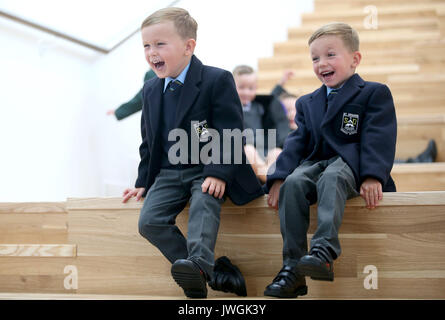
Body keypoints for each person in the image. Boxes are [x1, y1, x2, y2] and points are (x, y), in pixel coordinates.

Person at [121, 7, 264, 299]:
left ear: (188, 46)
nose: (152, 52)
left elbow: (229, 131)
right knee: (149, 222)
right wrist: (142, 182)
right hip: (170, 172)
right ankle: (209, 272)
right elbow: (149, 141)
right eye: (146, 46)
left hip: (207, 169)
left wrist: (218, 171)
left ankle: (198, 264)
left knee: (204, 202)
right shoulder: (150, 90)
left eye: (160, 44)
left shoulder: (216, 79)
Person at [264, 22, 397, 298]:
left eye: (330, 55)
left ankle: (324, 251)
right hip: (317, 163)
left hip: (353, 165)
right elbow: (296, 142)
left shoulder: (373, 93)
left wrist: (374, 175)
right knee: (294, 182)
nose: (321, 63)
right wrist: (279, 177)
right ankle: (292, 269)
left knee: (332, 176)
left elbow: (378, 137)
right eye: (315, 58)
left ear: (355, 59)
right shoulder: (306, 102)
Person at [232, 65, 291, 183]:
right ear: (232, 86)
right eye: (241, 87)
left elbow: (272, 97)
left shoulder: (259, 106)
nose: (246, 92)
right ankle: (268, 180)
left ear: (256, 88)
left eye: (251, 88)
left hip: (263, 148)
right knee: (249, 150)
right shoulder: (230, 107)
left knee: (277, 152)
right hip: (245, 152)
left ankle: (269, 176)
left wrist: (281, 83)